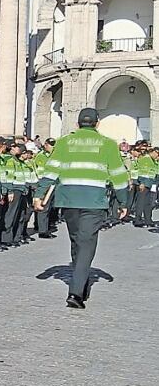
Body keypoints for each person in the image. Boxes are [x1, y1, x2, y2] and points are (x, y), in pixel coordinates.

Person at [34, 108, 129, 309]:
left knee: (77, 241)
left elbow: (50, 171)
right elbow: (119, 176)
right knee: (86, 244)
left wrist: (39, 194)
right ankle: (76, 292)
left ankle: (80, 281)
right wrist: (123, 202)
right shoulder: (108, 144)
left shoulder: (64, 142)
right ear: (97, 123)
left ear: (77, 124)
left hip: (68, 200)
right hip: (93, 202)